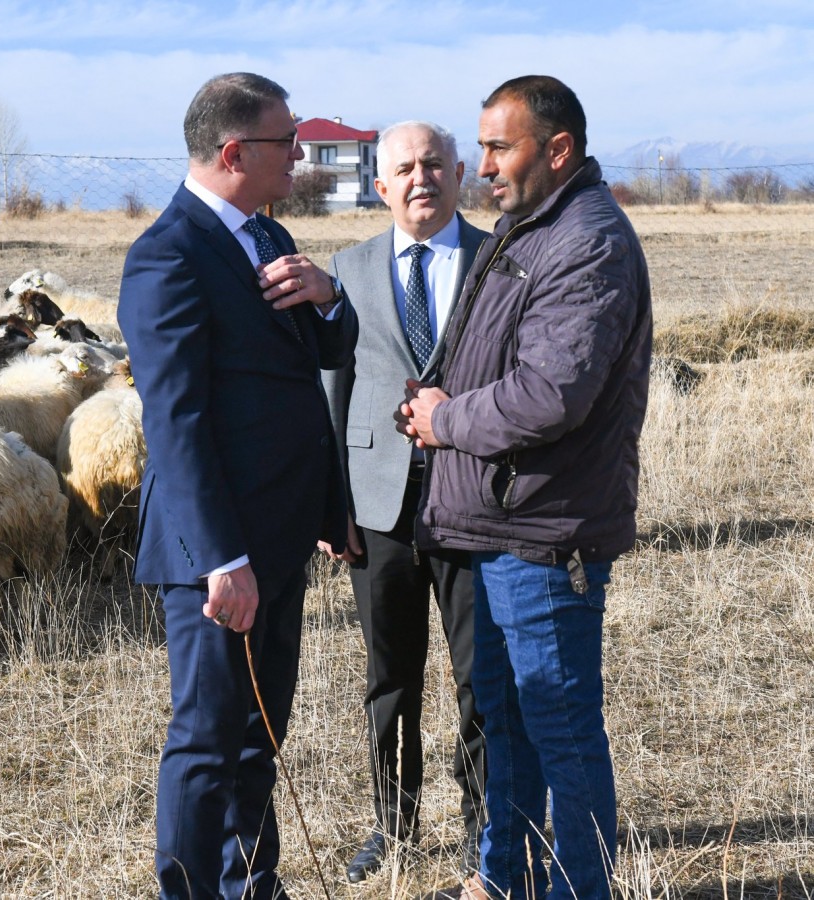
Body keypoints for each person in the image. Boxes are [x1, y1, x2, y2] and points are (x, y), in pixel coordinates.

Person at [399, 75, 651, 900]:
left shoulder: (588, 240)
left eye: (499, 147)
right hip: (501, 526)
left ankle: (579, 889)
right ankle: (503, 878)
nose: (483, 166)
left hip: (547, 538)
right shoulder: (529, 228)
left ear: (558, 150)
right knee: (507, 726)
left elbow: (551, 393)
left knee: (562, 734)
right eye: (481, 147)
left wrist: (446, 421)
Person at [117, 72, 359, 900]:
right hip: (216, 550)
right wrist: (223, 558)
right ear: (232, 152)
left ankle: (250, 884)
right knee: (208, 734)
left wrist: (330, 296)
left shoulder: (267, 234)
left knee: (261, 730)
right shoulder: (167, 255)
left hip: (282, 536)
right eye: (284, 141)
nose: (298, 153)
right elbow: (176, 423)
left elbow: (318, 359)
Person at [318, 120, 488, 882]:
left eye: (433, 164)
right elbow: (333, 387)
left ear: (459, 174)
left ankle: (488, 828)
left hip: (477, 504)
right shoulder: (346, 269)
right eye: (404, 169)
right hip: (376, 508)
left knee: (483, 678)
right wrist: (332, 502)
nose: (420, 178)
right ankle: (394, 826)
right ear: (380, 186)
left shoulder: (499, 261)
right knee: (390, 678)